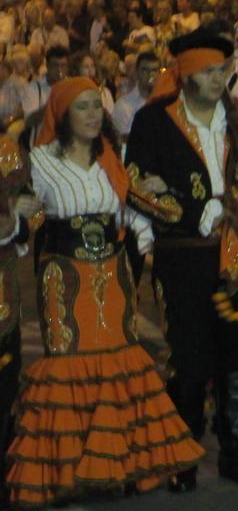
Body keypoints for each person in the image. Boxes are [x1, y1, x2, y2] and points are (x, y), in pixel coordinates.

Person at [7, 78, 204, 506]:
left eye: (97, 106)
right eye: (83, 107)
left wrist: (149, 236)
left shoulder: (110, 159)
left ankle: (118, 468)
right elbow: (24, 223)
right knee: (69, 363)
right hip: (63, 277)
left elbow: (130, 213)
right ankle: (67, 473)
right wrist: (18, 214)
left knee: (119, 362)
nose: (94, 114)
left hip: (113, 274)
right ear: (62, 114)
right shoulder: (38, 162)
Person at [124, 30, 238, 492]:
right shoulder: (154, 121)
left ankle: (233, 450)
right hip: (183, 255)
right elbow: (136, 186)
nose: (217, 79)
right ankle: (180, 455)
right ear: (185, 73)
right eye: (208, 71)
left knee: (235, 353)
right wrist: (195, 212)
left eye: (222, 70)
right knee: (187, 357)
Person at [0, 135, 36, 507]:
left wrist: (15, 219)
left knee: (5, 387)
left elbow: (27, 222)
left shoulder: (8, 153)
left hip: (3, 298)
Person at [113, 52, 161, 140]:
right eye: (145, 70)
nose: (150, 75)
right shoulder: (123, 106)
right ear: (137, 72)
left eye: (154, 70)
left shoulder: (165, 104)